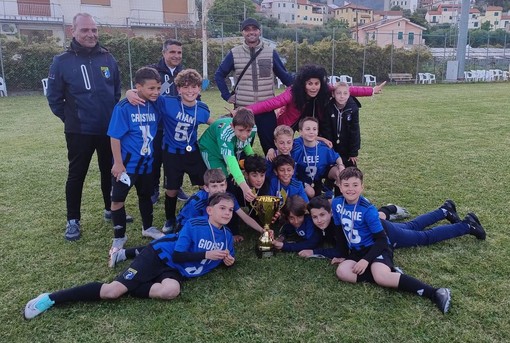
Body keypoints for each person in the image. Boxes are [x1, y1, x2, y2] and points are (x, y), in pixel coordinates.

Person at [23, 192, 236, 320]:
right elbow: (179, 255)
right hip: (158, 256)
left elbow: (224, 259)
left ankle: (133, 282)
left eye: (230, 210)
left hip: (174, 271)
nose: (227, 213)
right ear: (209, 210)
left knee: (171, 291)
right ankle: (50, 298)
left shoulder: (227, 236)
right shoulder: (194, 224)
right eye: (222, 208)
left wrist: (228, 261)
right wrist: (206, 253)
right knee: (111, 292)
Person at [46, 13, 129, 241]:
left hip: (107, 130)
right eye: (85, 30)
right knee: (76, 175)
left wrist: (111, 119)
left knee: (109, 171)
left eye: (94, 30)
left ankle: (109, 209)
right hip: (78, 131)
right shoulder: (61, 61)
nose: (91, 34)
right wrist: (72, 119)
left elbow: (115, 91)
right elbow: (54, 98)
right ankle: (73, 220)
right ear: (73, 31)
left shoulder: (108, 58)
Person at [329, 167, 451, 313]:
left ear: (362, 187)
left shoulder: (368, 210)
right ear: (339, 186)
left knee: (381, 277)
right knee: (342, 272)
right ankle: (390, 275)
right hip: (357, 250)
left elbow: (381, 240)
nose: (350, 189)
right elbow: (339, 231)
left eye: (355, 185)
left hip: (376, 247)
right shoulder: (337, 204)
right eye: (346, 185)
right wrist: (343, 254)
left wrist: (366, 260)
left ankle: (435, 292)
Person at [109, 169, 264, 267]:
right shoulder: (196, 202)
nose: (219, 190)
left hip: (203, 232)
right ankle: (123, 254)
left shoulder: (228, 197)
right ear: (206, 187)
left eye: (222, 185)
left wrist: (263, 230)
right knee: (164, 248)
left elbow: (244, 216)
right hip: (185, 230)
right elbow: (186, 226)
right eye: (215, 186)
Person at [299, 196, 486, 259]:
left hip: (384, 235)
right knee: (411, 225)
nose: (319, 220)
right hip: (381, 227)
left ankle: (466, 225)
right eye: (315, 217)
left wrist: (316, 253)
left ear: (332, 212)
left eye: (322, 215)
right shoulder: (324, 223)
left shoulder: (336, 224)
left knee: (424, 237)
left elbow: (342, 251)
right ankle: (444, 211)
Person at [107, 67, 165, 259]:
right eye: (151, 88)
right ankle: (119, 236)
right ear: (138, 87)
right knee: (117, 200)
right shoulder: (124, 107)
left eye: (158, 88)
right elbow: (115, 137)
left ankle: (147, 227)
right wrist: (117, 163)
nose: (156, 92)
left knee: (145, 195)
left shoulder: (155, 104)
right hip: (127, 166)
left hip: (147, 163)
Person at [214, 18, 294, 154]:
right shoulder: (235, 53)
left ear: (259, 31)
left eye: (254, 29)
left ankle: (272, 174)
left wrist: (300, 86)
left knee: (272, 148)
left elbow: (284, 76)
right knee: (241, 149)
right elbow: (219, 75)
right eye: (247, 30)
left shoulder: (270, 52)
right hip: (243, 109)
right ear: (243, 33)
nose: (251, 32)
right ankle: (240, 175)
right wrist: (226, 95)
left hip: (266, 108)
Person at [246, 64, 384, 133]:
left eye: (316, 83)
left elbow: (348, 89)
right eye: (310, 84)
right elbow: (271, 103)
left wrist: (372, 90)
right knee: (285, 146)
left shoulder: (325, 89)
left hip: (316, 120)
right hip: (290, 122)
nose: (313, 87)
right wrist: (245, 110)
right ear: (303, 84)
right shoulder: (293, 92)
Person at [147, 39, 188, 203]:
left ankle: (175, 187)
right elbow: (142, 92)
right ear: (164, 53)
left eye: (179, 52)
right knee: (155, 158)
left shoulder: (185, 73)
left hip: (177, 126)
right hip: (156, 125)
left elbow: (193, 95)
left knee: (175, 159)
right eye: (172, 52)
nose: (176, 55)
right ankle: (153, 189)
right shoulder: (152, 72)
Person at [198, 107, 257, 202]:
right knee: (220, 178)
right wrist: (245, 187)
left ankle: (229, 202)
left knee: (228, 179)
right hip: (211, 151)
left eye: (248, 131)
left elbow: (246, 144)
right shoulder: (226, 134)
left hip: (225, 148)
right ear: (232, 126)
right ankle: (207, 201)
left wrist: (253, 162)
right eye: (241, 130)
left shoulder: (253, 128)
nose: (244, 135)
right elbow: (231, 161)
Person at [291, 117, 344, 198]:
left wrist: (341, 165)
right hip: (302, 180)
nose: (311, 132)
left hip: (318, 178)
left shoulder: (323, 147)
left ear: (317, 131)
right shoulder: (296, 146)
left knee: (339, 173)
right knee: (310, 194)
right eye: (307, 129)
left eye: (314, 129)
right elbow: (283, 145)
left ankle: (340, 199)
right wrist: (271, 150)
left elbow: (336, 157)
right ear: (301, 132)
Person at [320, 82, 361, 168]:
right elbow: (326, 129)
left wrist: (353, 152)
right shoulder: (328, 107)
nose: (342, 96)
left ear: (349, 94)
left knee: (351, 172)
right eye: (338, 93)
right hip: (332, 145)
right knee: (332, 169)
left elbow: (355, 131)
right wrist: (329, 149)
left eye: (345, 93)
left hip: (347, 147)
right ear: (333, 94)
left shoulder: (353, 108)